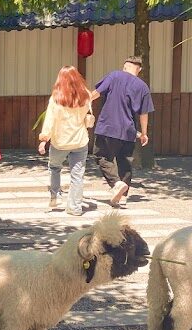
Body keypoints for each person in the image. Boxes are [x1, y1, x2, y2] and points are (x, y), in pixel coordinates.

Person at [90, 56, 154, 207]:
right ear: (138, 69)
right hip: (128, 131)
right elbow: (144, 113)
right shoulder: (143, 87)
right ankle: (123, 196)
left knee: (102, 156)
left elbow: (96, 93)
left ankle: (116, 184)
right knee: (124, 161)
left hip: (107, 127)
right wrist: (143, 133)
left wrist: (83, 103)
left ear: (125, 66)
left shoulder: (114, 76)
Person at [38, 66, 93, 216]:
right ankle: (75, 207)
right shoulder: (86, 96)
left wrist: (44, 139)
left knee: (55, 167)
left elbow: (49, 121)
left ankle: (55, 196)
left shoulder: (56, 98)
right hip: (80, 141)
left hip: (60, 141)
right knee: (77, 175)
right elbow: (88, 114)